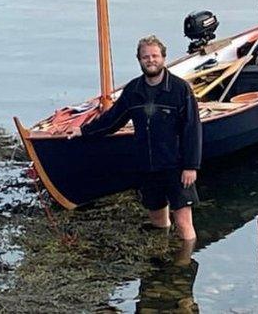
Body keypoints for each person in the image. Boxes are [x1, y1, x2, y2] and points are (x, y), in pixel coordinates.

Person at [81, 35, 202, 241]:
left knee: (183, 223)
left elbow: (192, 128)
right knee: (157, 219)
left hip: (176, 166)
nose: (150, 60)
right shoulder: (133, 91)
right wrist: (84, 131)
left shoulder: (180, 89)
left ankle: (184, 265)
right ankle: (162, 253)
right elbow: (112, 120)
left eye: (155, 56)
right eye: (145, 57)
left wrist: (191, 166)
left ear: (163, 58)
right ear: (139, 60)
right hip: (147, 166)